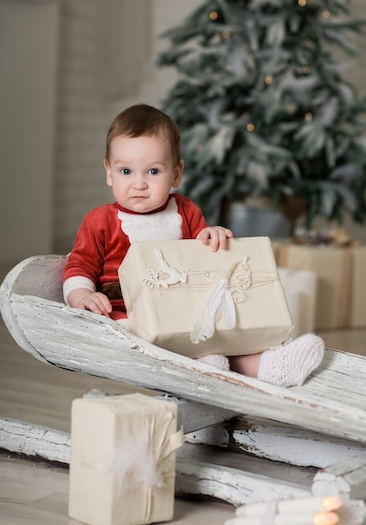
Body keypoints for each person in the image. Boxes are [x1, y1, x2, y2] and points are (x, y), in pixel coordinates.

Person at [63, 103, 324, 387]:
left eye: (153, 172)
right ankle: (229, 365)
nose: (139, 184)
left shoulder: (184, 211)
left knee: (220, 328)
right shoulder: (100, 221)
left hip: (185, 310)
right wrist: (81, 296)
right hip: (126, 314)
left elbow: (205, 257)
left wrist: (212, 235)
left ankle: (270, 365)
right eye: (126, 171)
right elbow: (80, 265)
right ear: (109, 172)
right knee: (167, 336)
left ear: (176, 174)